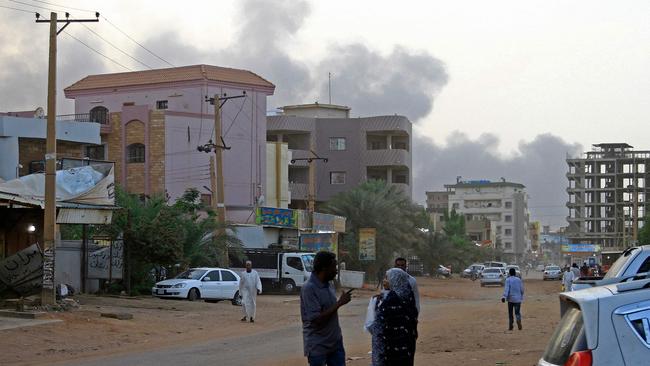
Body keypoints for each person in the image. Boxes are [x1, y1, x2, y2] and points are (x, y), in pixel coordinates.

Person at [300, 251, 352, 366]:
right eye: (334, 267)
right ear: (324, 268)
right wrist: (339, 303)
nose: (336, 270)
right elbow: (316, 319)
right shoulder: (309, 288)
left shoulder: (329, 284)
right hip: (317, 345)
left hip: (335, 343)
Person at [369, 268, 418, 366]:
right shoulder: (409, 299)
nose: (384, 281)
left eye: (387, 278)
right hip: (406, 350)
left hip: (390, 352)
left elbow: (378, 329)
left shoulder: (390, 301)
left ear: (395, 279)